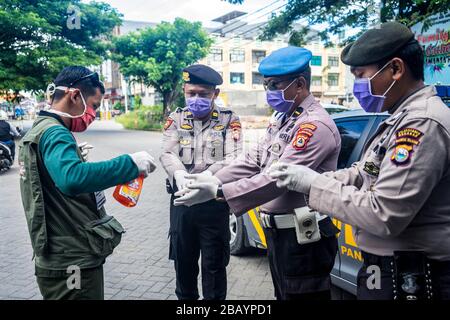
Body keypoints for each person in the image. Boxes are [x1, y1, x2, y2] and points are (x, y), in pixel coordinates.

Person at [269, 22, 450, 300]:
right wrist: (317, 179)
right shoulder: (399, 118)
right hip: (390, 269)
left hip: (414, 276)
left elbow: (384, 214)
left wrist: (314, 184)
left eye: (361, 75)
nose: (357, 86)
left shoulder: (422, 123)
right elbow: (364, 172)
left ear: (396, 69)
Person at [175, 47, 341, 300]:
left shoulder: (313, 125)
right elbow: (254, 159)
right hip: (280, 234)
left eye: (275, 85)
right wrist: (213, 178)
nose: (269, 92)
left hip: (303, 237)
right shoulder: (285, 119)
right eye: (266, 85)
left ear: (300, 84)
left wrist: (219, 191)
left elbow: (278, 180)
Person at [19, 66, 157, 300]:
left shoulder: (42, 128)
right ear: (74, 96)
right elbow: (71, 179)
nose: (93, 114)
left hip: (59, 255)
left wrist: (73, 157)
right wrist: (130, 164)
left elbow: (59, 178)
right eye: (93, 105)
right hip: (72, 262)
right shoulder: (55, 133)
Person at [160, 64, 242, 300]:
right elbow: (167, 152)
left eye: (203, 94)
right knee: (183, 266)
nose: (196, 99)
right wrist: (179, 174)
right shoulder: (176, 118)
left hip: (213, 202)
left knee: (214, 267)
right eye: (191, 93)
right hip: (181, 202)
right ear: (184, 90)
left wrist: (207, 177)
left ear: (215, 94)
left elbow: (233, 157)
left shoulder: (229, 120)